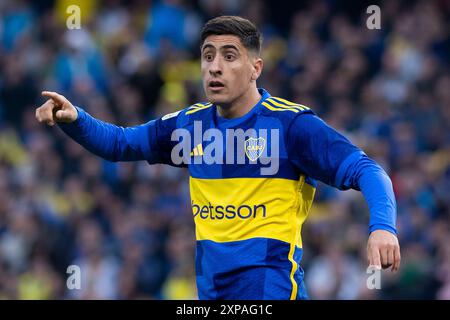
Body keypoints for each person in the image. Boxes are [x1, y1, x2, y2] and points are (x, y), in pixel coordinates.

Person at [35, 15, 400, 300]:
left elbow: (367, 169)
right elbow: (120, 145)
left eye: (229, 57)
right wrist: (76, 119)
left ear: (256, 68)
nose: (214, 67)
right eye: (208, 56)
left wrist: (382, 227)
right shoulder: (189, 126)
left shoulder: (291, 125)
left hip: (271, 290)